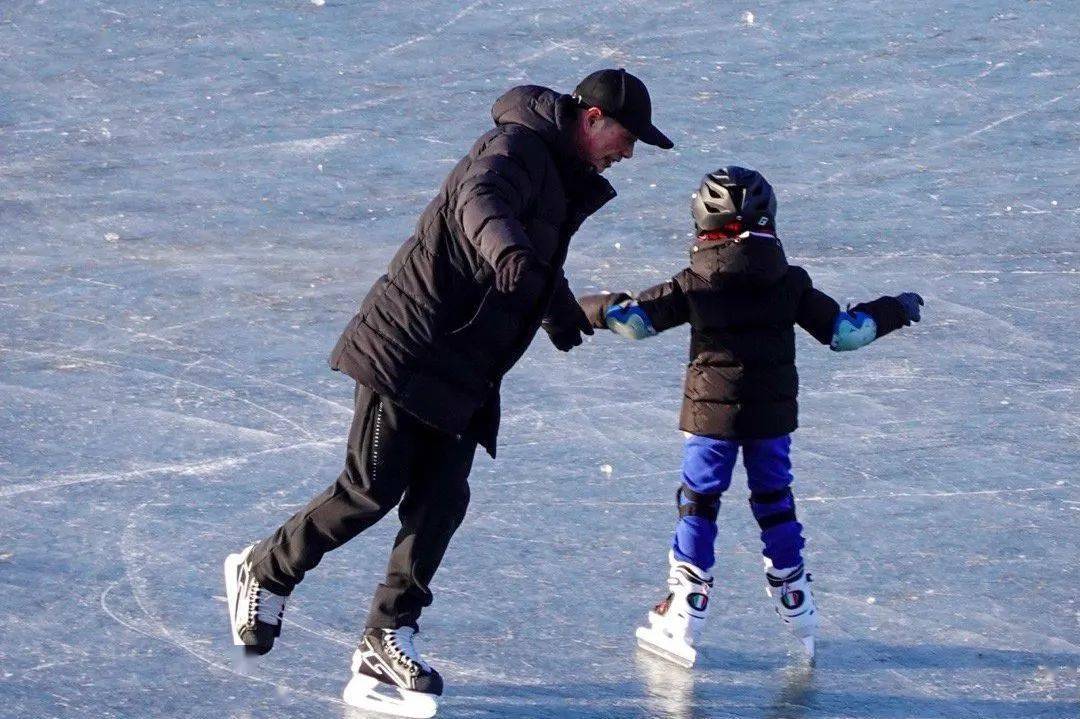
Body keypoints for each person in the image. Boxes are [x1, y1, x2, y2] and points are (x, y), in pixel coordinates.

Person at [222, 68, 673, 715]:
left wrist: (571, 311)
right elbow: (479, 202)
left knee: (440, 502)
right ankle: (265, 570)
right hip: (410, 347)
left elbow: (535, 257)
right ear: (593, 119)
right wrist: (508, 255)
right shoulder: (516, 147)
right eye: (627, 138)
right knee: (370, 487)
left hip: (466, 365)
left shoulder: (559, 175)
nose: (628, 154)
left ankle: (386, 632)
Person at [578, 166, 923, 666]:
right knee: (774, 500)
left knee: (699, 502)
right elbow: (847, 333)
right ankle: (795, 595)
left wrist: (590, 305)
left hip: (710, 422)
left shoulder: (694, 283)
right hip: (771, 419)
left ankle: (687, 604)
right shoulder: (790, 283)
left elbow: (634, 323)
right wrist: (895, 308)